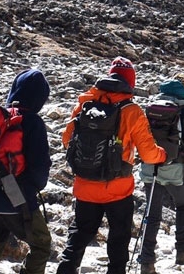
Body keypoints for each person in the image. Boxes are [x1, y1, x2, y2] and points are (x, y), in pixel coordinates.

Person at [57, 58, 168, 274]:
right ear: (130, 82)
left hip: (85, 185)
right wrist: (162, 155)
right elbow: (148, 153)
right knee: (119, 238)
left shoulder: (86, 103)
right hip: (117, 189)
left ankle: (65, 269)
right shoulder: (131, 110)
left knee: (79, 234)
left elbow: (66, 139)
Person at [0, 69, 55, 274]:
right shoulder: (32, 123)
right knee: (41, 245)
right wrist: (31, 188)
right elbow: (39, 171)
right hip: (17, 198)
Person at [136, 78, 184, 274]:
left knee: (151, 216)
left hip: (149, 169)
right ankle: (183, 250)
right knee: (183, 206)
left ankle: (146, 263)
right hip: (176, 171)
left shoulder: (150, 107)